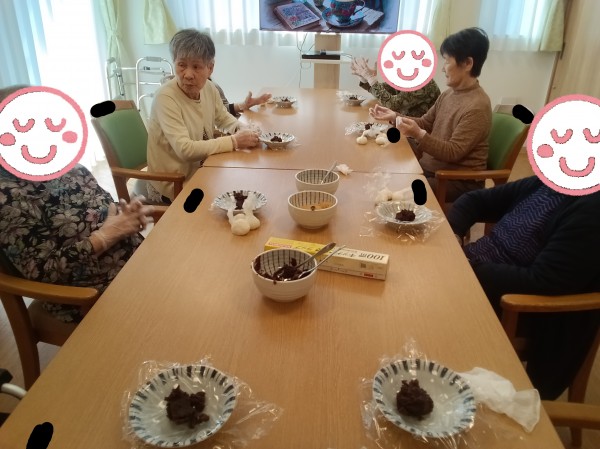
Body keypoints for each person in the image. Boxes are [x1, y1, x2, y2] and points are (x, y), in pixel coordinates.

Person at [0, 86, 155, 323]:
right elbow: (41, 272)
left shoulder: (69, 167)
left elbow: (104, 208)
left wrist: (128, 215)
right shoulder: (8, 197)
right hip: (87, 294)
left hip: (136, 262)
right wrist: (104, 237)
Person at [448, 176, 600, 399]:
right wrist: (454, 236)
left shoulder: (592, 209)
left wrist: (469, 267)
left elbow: (543, 282)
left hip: (516, 305)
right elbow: (473, 200)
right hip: (475, 273)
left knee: (412, 302)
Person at [370, 27, 492, 202]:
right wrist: (395, 117)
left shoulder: (477, 107)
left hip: (455, 182)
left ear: (467, 63)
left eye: (447, 61)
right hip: (432, 171)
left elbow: (452, 152)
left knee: (393, 194)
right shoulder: (449, 94)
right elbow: (425, 122)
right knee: (382, 173)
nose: (443, 69)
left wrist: (418, 134)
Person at [146, 29, 260, 203]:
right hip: (173, 183)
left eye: (196, 67)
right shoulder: (165, 98)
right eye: (181, 65)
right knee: (232, 201)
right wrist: (235, 141)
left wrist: (242, 128)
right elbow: (185, 149)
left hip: (201, 170)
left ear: (210, 68)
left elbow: (223, 118)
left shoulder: (209, 88)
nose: (188, 74)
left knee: (248, 185)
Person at [350, 56, 440, 117]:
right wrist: (365, 79)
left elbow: (392, 104)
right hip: (406, 124)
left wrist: (371, 78)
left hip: (419, 132)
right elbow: (385, 90)